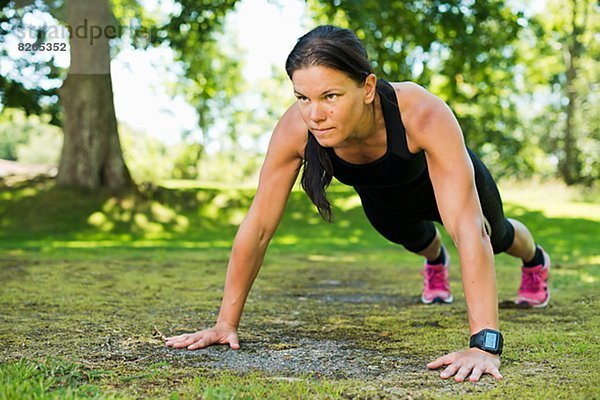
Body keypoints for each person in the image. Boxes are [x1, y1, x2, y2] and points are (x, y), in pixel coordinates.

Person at [165, 25, 551, 382]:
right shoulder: (296, 129)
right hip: (385, 198)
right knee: (414, 240)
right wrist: (224, 323)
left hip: (445, 182)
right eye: (303, 98)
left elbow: (467, 228)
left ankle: (535, 261)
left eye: (330, 96)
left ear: (367, 88)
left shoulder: (420, 111)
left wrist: (484, 345)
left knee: (495, 235)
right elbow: (260, 225)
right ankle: (435, 262)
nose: (315, 114)